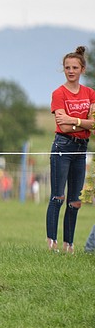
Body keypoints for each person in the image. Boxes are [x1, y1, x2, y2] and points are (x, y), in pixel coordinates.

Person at [45, 46, 94, 254]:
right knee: (58, 197)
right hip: (63, 146)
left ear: (82, 69)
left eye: (75, 67)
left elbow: (93, 124)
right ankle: (52, 243)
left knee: (75, 200)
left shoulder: (90, 94)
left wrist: (74, 120)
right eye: (67, 67)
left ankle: (69, 244)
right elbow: (63, 127)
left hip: (81, 148)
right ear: (63, 70)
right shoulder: (59, 93)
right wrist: (84, 123)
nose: (71, 71)